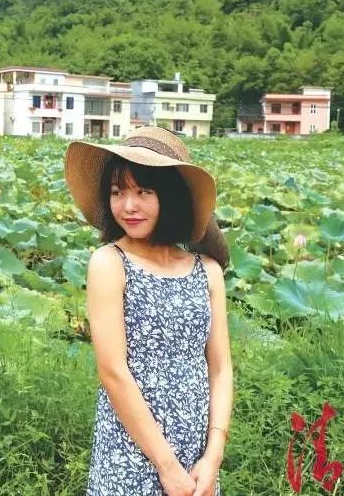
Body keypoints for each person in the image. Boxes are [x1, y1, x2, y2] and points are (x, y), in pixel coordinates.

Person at [64, 126, 233, 496]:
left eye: (143, 191)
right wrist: (167, 467)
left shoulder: (207, 270)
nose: (128, 206)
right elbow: (113, 372)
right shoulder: (110, 263)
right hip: (133, 453)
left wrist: (213, 455)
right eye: (117, 192)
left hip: (197, 457)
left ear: (169, 197)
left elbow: (220, 368)